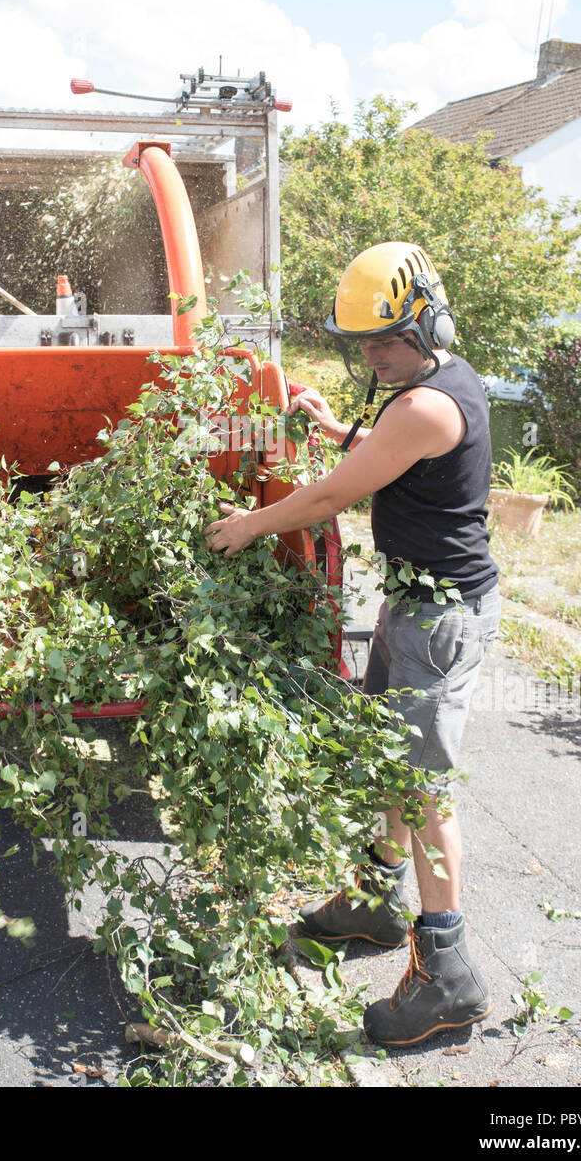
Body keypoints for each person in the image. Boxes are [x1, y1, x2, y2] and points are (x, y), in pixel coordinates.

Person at [204, 242, 501, 1046]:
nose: (372, 354)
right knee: (387, 761)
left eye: (385, 340)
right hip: (417, 605)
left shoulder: (423, 406)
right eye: (361, 343)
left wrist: (248, 526)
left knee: (422, 788)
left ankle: (448, 976)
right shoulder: (434, 382)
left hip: (440, 620)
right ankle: (373, 901)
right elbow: (388, 461)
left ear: (427, 319)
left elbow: (336, 493)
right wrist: (338, 426)